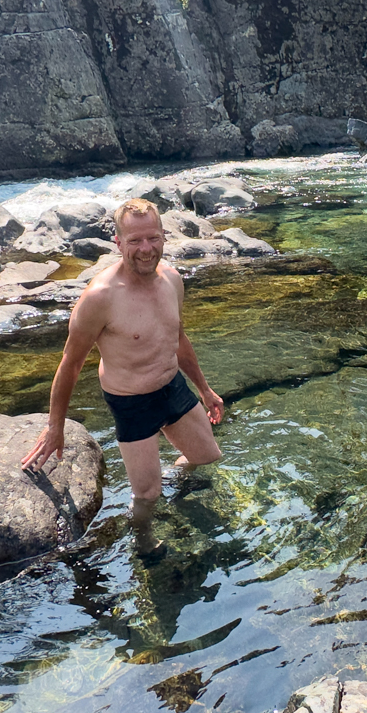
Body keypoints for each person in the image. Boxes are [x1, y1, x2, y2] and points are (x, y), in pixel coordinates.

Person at [22, 198, 224, 506]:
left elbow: (178, 338)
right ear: (118, 242)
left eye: (153, 237)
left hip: (172, 387)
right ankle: (145, 547)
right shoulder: (100, 297)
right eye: (135, 240)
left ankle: (175, 480)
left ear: (164, 236)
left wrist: (205, 390)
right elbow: (70, 364)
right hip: (132, 403)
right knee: (147, 496)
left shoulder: (172, 280)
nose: (146, 248)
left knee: (207, 457)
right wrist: (55, 428)